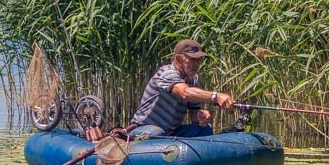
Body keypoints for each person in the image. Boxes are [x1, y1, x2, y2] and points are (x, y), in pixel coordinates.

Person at [83, 39, 235, 141]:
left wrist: (201, 116)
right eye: (192, 59)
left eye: (199, 60)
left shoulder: (194, 80)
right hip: (144, 128)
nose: (197, 64)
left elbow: (194, 114)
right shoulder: (166, 73)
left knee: (205, 130)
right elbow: (184, 92)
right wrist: (215, 96)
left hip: (172, 132)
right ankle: (128, 141)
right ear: (178, 59)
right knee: (157, 133)